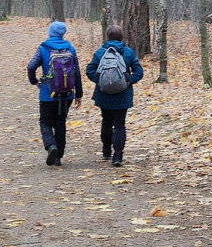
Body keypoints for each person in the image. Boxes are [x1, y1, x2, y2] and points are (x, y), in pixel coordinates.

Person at [85, 25, 144, 167]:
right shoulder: (128, 52)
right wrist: (128, 81)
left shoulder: (100, 52)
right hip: (123, 95)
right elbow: (139, 72)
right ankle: (117, 156)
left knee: (106, 121)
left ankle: (106, 151)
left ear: (107, 37)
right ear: (121, 36)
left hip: (103, 94)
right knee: (119, 124)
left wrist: (100, 81)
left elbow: (89, 70)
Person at [27, 21, 82, 166]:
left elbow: (31, 67)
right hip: (67, 94)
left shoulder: (44, 48)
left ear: (50, 32)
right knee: (60, 123)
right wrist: (78, 94)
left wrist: (35, 82)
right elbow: (76, 72)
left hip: (47, 93)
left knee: (45, 122)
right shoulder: (69, 48)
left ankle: (51, 146)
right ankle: (58, 157)